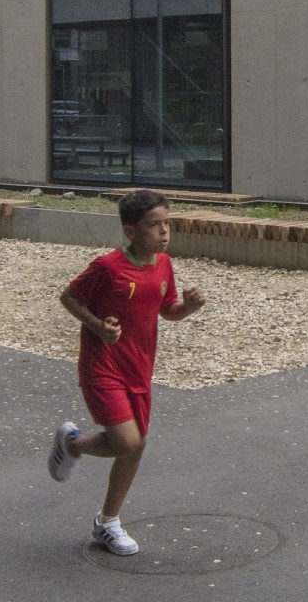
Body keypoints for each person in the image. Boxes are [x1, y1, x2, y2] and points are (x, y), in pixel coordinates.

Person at [47, 191, 206, 557]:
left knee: (135, 446)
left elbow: (169, 311)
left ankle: (108, 522)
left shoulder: (164, 264)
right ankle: (71, 446)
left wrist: (190, 307)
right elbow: (69, 298)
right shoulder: (107, 267)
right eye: (155, 225)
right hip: (102, 366)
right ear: (131, 230)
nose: (164, 232)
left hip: (140, 368)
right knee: (127, 442)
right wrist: (99, 326)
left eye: (168, 223)